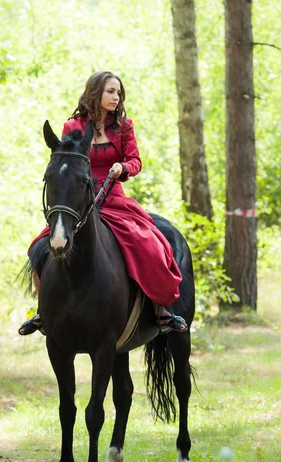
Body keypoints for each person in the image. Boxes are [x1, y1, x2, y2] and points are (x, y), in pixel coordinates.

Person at [18, 71, 187, 335]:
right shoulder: (72, 127)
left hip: (114, 197)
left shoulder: (124, 126)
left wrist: (122, 166)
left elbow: (136, 161)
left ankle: (160, 309)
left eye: (118, 92)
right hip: (79, 201)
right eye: (111, 91)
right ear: (95, 92)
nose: (116, 97)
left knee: (151, 244)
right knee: (38, 249)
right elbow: (67, 162)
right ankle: (44, 311)